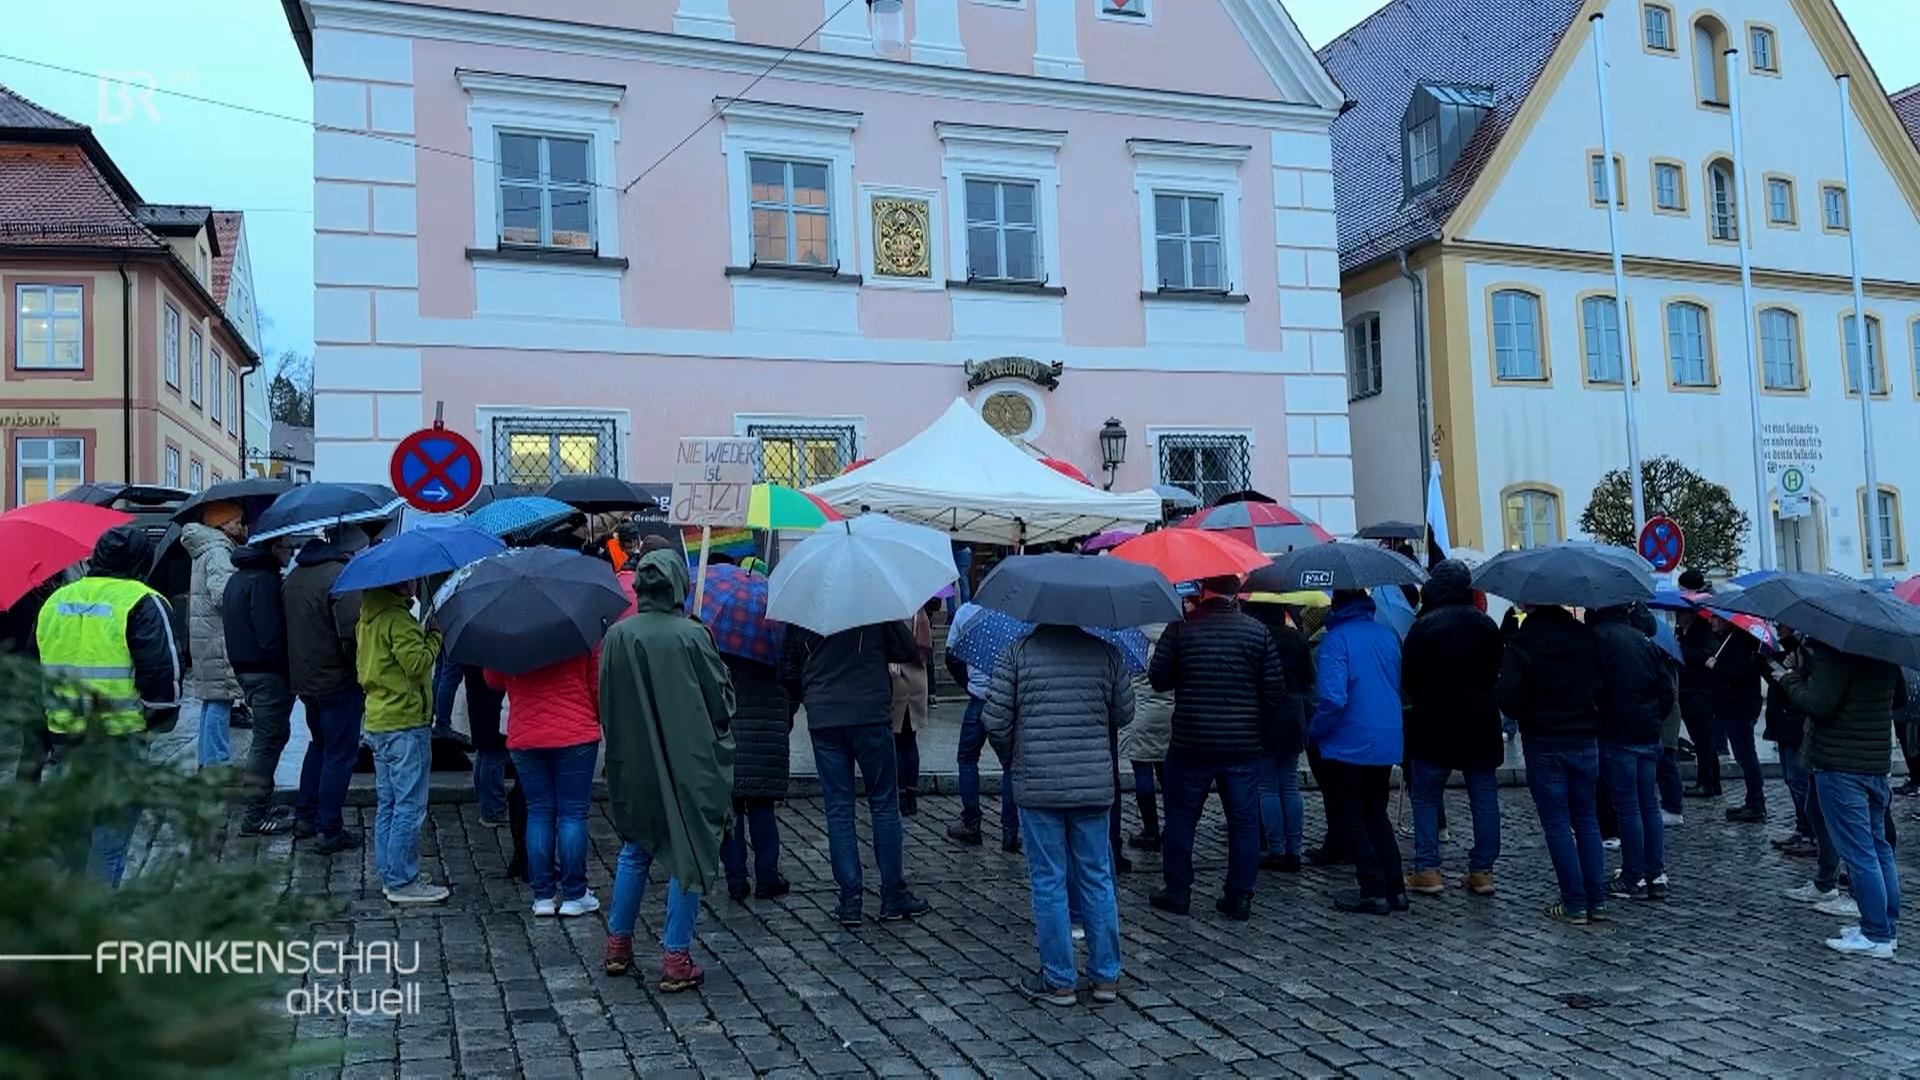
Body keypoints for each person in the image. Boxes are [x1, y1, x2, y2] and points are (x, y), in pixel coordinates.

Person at [600, 549, 736, 990]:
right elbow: (722, 702)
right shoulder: (692, 637)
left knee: (635, 847)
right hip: (686, 762)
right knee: (690, 849)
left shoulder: (618, 636)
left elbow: (606, 700)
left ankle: (617, 943)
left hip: (634, 761)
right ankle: (675, 955)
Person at [983, 624, 1135, 1006]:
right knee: (1097, 876)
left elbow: (995, 720)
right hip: (1092, 784)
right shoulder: (1107, 653)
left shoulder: (1016, 652)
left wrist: (1013, 761)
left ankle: (1059, 979)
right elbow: (1125, 712)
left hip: (1039, 785)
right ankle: (1106, 977)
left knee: (1048, 880)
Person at [36, 525, 181, 886]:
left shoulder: (56, 601)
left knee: (73, 837)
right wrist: (155, 725)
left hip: (65, 738)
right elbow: (161, 677)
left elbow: (33, 665)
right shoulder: (142, 600)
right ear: (142, 561)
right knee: (110, 841)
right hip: (120, 739)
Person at [1146, 575, 1285, 922]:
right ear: (1234, 593)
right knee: (1243, 822)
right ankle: (1239, 895)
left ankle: (1178, 891)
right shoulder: (1258, 632)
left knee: (1181, 817)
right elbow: (1274, 692)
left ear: (1202, 591)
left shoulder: (1181, 628)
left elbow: (1158, 678)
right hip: (1241, 744)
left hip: (1191, 741)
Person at [782, 616, 932, 927]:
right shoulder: (873, 607)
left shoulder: (806, 612)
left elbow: (789, 671)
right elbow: (907, 648)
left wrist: (812, 692)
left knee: (838, 809)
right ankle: (893, 893)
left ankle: (850, 899)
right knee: (884, 805)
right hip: (869, 714)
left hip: (825, 717)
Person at [1773, 638, 1905, 957]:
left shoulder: (1835, 653)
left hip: (1841, 764)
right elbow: (1899, 699)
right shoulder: (1884, 651)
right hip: (1874, 763)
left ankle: (1875, 934)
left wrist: (1789, 678)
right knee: (1878, 848)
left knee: (1860, 852)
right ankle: (1885, 927)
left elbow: (1819, 704)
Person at [1400, 561, 1504, 897]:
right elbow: (1494, 673)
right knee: (1484, 797)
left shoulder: (1424, 627)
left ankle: (1428, 869)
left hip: (1434, 721)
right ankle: (1483, 870)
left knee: (1427, 796)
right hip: (1480, 721)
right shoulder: (1487, 626)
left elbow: (1409, 679)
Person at [1499, 604, 1607, 925]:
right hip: (1584, 738)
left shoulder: (1522, 642)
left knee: (1558, 823)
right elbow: (1604, 683)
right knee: (1587, 820)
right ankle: (1597, 900)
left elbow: (1506, 695)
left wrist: (1528, 713)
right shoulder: (1588, 638)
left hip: (1544, 739)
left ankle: (1574, 902)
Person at [1308, 590, 1407, 915]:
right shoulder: (1385, 634)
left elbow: (1333, 699)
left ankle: (1373, 889)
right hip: (1386, 736)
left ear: (1336, 605)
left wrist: (1315, 732)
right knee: (1376, 814)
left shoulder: (1336, 640)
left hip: (1350, 740)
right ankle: (1396, 889)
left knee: (1352, 815)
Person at [488, 648, 600, 918]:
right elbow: (595, 681)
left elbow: (493, 679)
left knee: (539, 812)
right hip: (575, 731)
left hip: (526, 732)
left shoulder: (509, 630)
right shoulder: (580, 627)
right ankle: (575, 894)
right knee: (573, 813)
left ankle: (543, 897)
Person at [357, 580, 448, 905]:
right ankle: (402, 881)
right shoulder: (396, 620)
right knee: (409, 804)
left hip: (380, 720)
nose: (414, 583)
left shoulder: (369, 616)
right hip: (405, 721)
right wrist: (435, 635)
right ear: (397, 584)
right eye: (409, 579)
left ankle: (392, 871)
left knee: (389, 803)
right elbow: (417, 664)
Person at [283, 526, 367, 853]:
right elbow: (351, 634)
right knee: (339, 753)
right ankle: (329, 828)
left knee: (318, 745)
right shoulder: (341, 578)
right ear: (351, 549)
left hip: (306, 678)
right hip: (338, 680)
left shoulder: (294, 576)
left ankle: (305, 815)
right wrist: (358, 669)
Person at [1591, 603, 1677, 903]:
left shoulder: (1599, 639)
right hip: (1647, 734)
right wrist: (1653, 718)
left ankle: (1633, 876)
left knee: (1627, 808)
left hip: (1617, 735)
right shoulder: (1644, 641)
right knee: (1649, 805)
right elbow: (1666, 690)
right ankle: (1656, 873)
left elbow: (1594, 689)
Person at [225, 537, 299, 834]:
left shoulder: (239, 578)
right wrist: (289, 671)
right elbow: (271, 637)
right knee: (267, 742)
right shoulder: (264, 582)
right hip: (268, 673)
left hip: (247, 668)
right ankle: (254, 817)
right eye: (287, 547)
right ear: (272, 549)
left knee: (271, 738)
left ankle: (262, 804)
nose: (292, 552)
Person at [719, 645, 793, 902]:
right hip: (768, 730)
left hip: (731, 732)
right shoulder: (775, 634)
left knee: (732, 810)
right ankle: (767, 876)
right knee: (763, 807)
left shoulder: (722, 639)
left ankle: (736, 879)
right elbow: (792, 681)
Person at [1243, 600, 1311, 873]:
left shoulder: (1257, 640)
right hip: (1293, 714)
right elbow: (1309, 678)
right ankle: (1295, 850)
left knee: (1267, 787)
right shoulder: (1296, 639)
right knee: (1290, 784)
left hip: (1266, 714)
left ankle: (1276, 849)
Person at [946, 603, 1017, 851]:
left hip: (979, 698)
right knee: (1010, 765)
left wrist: (968, 684)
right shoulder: (1015, 613)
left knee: (966, 758)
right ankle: (1010, 830)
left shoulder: (966, 612)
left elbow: (950, 655)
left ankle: (971, 822)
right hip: (1006, 700)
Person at [181, 503, 245, 768]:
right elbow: (222, 595)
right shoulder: (219, 551)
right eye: (238, 521)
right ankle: (216, 763)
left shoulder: (205, 550)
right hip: (218, 637)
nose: (242, 526)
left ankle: (208, 759)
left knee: (213, 700)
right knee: (221, 699)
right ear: (223, 524)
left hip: (206, 635)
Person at [1118, 624, 1173, 854]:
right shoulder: (1173, 635)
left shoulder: (1133, 640)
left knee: (1142, 772)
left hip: (1141, 715)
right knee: (1166, 773)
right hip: (1170, 714)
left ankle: (1150, 829)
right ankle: (1173, 826)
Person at [1708, 614, 1767, 823]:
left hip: (1739, 708)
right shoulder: (1728, 639)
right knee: (1745, 756)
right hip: (1732, 707)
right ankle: (1753, 800)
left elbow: (1742, 672)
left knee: (1746, 756)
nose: (1711, 621)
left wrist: (1717, 666)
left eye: (1715, 618)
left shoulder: (1739, 641)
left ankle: (1756, 803)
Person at [1766, 631, 1817, 856]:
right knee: (1791, 779)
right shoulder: (1787, 647)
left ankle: (1812, 834)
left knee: (1800, 781)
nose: (1777, 627)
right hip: (1783, 722)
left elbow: (1808, 690)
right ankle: (1803, 828)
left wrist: (1793, 673)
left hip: (1796, 724)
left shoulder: (1807, 649)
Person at [890, 600, 935, 817]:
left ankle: (900, 795)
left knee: (897, 738)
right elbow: (927, 649)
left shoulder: (894, 611)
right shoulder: (920, 611)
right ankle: (911, 795)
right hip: (918, 678)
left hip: (898, 676)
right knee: (910, 739)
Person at [1676, 606, 1722, 800]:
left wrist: (1683, 650)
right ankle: (1710, 781)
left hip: (1699, 690)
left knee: (1703, 739)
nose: (1678, 616)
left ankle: (1707, 782)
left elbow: (1706, 655)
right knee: (1701, 739)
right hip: (1687, 690)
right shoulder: (1681, 631)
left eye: (1681, 613)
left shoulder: (1702, 631)